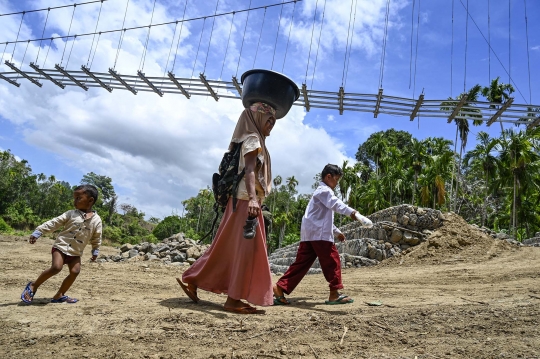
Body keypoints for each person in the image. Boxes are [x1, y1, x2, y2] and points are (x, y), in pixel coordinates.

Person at [177, 102, 277, 314]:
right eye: (268, 120)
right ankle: (232, 300)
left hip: (243, 202)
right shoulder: (252, 139)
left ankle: (194, 279)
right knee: (245, 251)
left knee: (227, 248)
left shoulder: (252, 139)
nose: (271, 126)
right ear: (257, 119)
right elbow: (249, 170)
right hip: (244, 202)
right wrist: (252, 199)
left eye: (273, 122)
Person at [272, 164, 373, 305]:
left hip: (310, 235)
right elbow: (336, 204)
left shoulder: (319, 193)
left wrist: (337, 232)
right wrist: (354, 213)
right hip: (319, 235)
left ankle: (280, 287)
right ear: (328, 176)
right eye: (336, 180)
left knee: (301, 264)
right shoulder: (324, 191)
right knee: (333, 261)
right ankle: (334, 293)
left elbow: (322, 219)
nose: (337, 184)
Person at [20, 184, 102, 304]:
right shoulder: (71, 214)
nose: (75, 201)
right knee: (56, 268)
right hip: (61, 246)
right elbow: (54, 222)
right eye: (74, 198)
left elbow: (97, 237)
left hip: (76, 252)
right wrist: (39, 231)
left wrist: (95, 251)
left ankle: (59, 295)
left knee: (75, 272)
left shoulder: (97, 220)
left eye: (78, 198)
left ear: (90, 200)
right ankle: (33, 285)